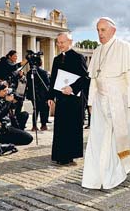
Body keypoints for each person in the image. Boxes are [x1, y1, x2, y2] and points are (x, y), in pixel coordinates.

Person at [82, 17, 130, 189]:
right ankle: (99, 175)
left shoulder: (124, 47)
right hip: (100, 101)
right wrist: (90, 102)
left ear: (113, 30)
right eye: (98, 30)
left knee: (129, 134)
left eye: (103, 30)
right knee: (100, 138)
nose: (100, 34)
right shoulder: (97, 50)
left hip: (120, 100)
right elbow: (93, 80)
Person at [48, 32, 90, 165]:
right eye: (58, 42)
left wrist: (72, 87)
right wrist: (50, 96)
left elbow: (86, 78)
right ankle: (60, 155)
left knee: (71, 126)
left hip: (75, 99)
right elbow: (53, 79)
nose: (60, 45)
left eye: (62, 42)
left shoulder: (79, 57)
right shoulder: (56, 59)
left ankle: (70, 155)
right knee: (60, 126)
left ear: (70, 42)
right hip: (61, 98)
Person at [0, 80, 33, 146]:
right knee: (28, 138)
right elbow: (0, 115)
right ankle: (5, 140)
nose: (6, 92)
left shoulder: (5, 97)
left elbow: (15, 106)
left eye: (7, 90)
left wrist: (15, 100)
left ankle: (18, 134)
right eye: (4, 91)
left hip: (11, 122)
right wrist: (8, 102)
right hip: (3, 127)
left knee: (24, 114)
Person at [0, 50, 27, 116]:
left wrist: (20, 75)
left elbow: (13, 74)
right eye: (14, 56)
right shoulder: (3, 64)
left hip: (5, 88)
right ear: (9, 56)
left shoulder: (9, 65)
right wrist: (25, 61)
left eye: (16, 56)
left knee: (19, 99)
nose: (16, 58)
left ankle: (15, 118)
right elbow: (12, 67)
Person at [26, 58, 50, 131]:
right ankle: (43, 125)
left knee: (35, 109)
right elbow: (47, 83)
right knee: (44, 110)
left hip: (33, 94)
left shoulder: (29, 72)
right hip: (42, 94)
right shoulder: (43, 72)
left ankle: (34, 125)